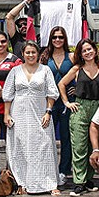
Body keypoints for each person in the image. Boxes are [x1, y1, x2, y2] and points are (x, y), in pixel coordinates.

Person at [3, 41, 61, 195]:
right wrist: (7, 114)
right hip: (19, 113)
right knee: (20, 147)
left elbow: (52, 93)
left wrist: (48, 111)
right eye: (27, 52)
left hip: (40, 112)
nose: (30, 55)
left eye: (33, 52)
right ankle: (21, 182)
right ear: (23, 54)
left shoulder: (45, 70)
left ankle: (49, 183)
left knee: (44, 146)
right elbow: (8, 94)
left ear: (38, 54)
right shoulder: (15, 71)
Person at [58, 38, 99, 197]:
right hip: (80, 108)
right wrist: (66, 102)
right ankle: (79, 182)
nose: (88, 52)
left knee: (95, 146)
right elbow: (61, 84)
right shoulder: (77, 69)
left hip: (98, 109)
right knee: (79, 146)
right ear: (81, 53)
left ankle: (89, 179)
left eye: (90, 49)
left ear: (95, 50)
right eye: (84, 50)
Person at [40, 26, 74, 186]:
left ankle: (63, 170)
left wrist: (76, 88)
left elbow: (82, 73)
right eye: (54, 37)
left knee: (66, 137)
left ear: (65, 39)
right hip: (49, 102)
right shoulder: (45, 57)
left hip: (68, 102)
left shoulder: (72, 56)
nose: (57, 40)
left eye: (60, 37)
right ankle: (48, 168)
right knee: (47, 137)